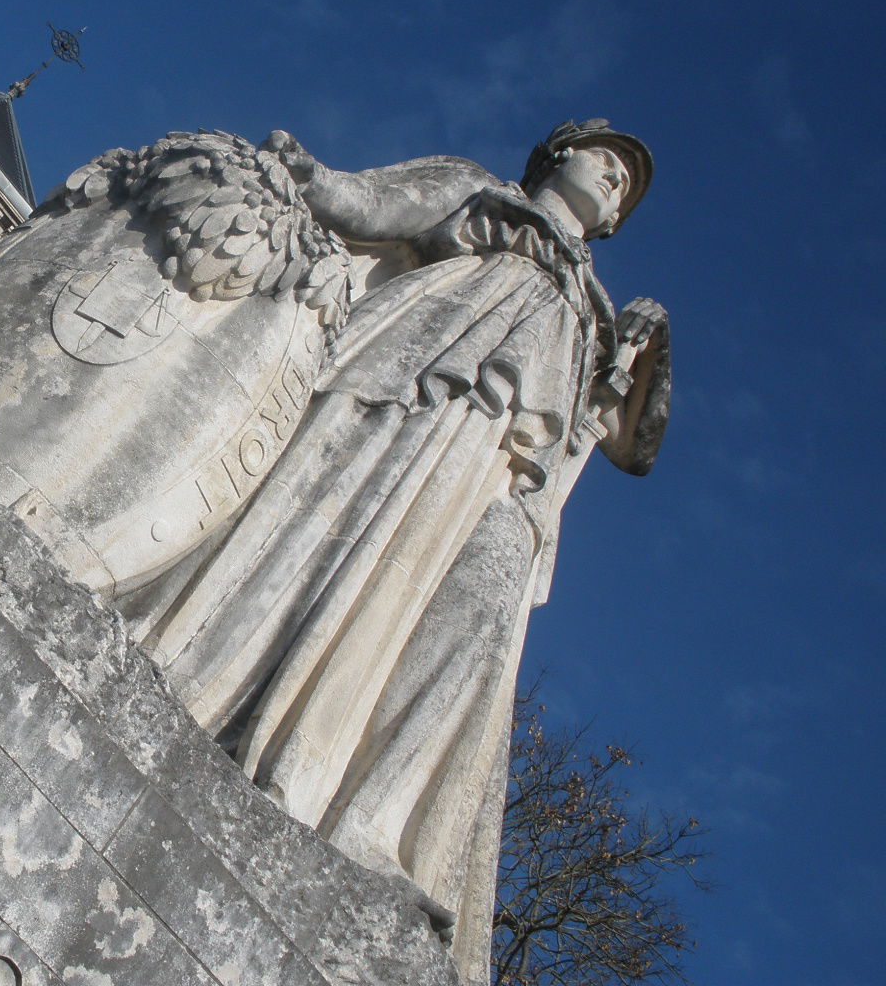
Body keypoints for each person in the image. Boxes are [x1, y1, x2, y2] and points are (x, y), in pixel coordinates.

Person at [126, 119, 670, 976]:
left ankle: (324, 783)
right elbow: (374, 204)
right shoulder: (488, 198)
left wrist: (639, 356)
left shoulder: (596, 318)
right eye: (604, 160)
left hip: (485, 454)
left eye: (623, 185)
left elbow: (632, 447)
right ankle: (205, 680)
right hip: (414, 369)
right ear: (556, 157)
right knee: (319, 515)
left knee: (414, 594)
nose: (612, 178)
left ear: (610, 227)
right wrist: (307, 173)